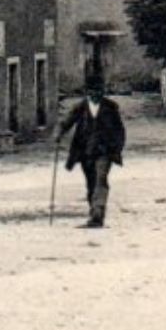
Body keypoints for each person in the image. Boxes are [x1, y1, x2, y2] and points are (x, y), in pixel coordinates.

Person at [54, 84, 126, 229]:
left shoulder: (111, 107)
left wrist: (116, 147)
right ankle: (94, 212)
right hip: (85, 152)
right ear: (87, 92)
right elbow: (66, 122)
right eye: (93, 91)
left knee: (101, 180)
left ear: (103, 92)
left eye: (99, 91)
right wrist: (59, 133)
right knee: (91, 183)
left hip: (104, 152)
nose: (96, 94)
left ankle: (97, 215)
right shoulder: (80, 107)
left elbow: (120, 130)